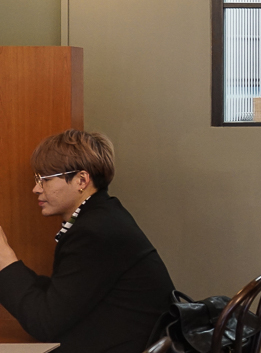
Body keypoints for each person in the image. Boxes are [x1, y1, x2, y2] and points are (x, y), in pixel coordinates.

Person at [0, 129, 175, 353]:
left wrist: (4, 257)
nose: (36, 189)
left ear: (81, 180)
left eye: (44, 180)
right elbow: (63, 295)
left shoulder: (95, 231)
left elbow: (44, 323)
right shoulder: (102, 215)